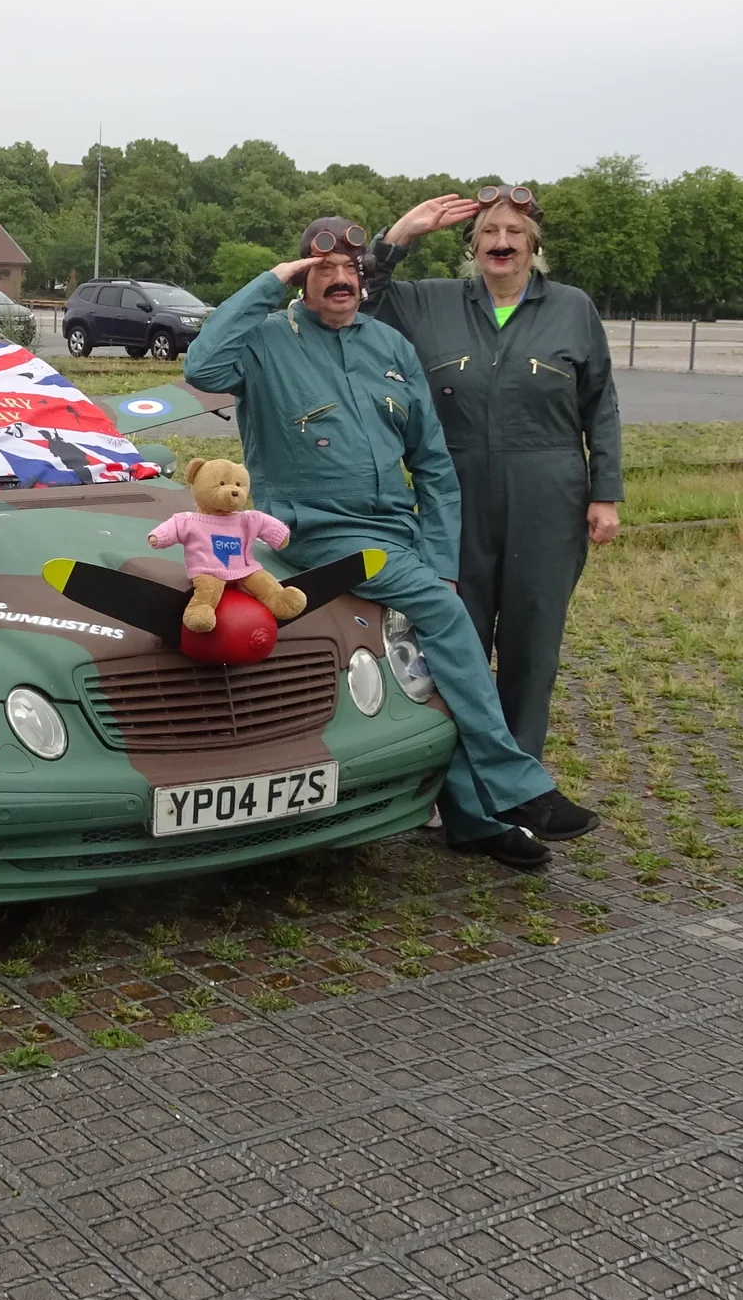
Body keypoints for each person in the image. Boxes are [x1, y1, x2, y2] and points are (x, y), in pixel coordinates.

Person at [183, 217, 598, 869]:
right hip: (318, 532)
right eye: (322, 270)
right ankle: (517, 787)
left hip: (396, 532)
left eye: (350, 270)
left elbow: (433, 463)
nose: (340, 280)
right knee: (444, 615)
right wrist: (273, 281)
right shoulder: (267, 341)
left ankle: (472, 816)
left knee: (442, 642)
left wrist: (442, 558)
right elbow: (201, 365)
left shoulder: (390, 347)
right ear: (301, 279)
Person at [363, 187, 622, 759]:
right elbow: (361, 294)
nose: (501, 243)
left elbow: (600, 402)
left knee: (533, 641)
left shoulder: (572, 308)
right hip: (454, 495)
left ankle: (519, 772)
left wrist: (605, 493)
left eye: (514, 233)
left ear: (534, 246)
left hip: (548, 498)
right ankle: (458, 773)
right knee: (456, 637)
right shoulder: (432, 301)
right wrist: (401, 235)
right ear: (472, 246)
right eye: (488, 232)